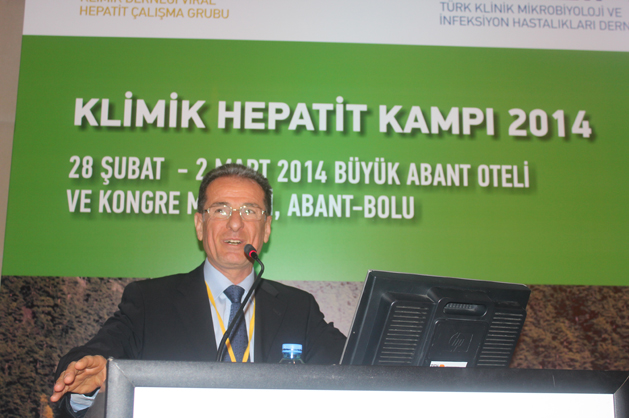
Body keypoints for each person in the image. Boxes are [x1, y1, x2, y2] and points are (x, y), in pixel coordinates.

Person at [51, 163, 346, 416]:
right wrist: (86, 381)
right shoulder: (150, 302)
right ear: (199, 224)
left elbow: (355, 361)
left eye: (249, 210)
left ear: (266, 227)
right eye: (220, 210)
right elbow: (90, 358)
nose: (235, 224)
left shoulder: (298, 308)